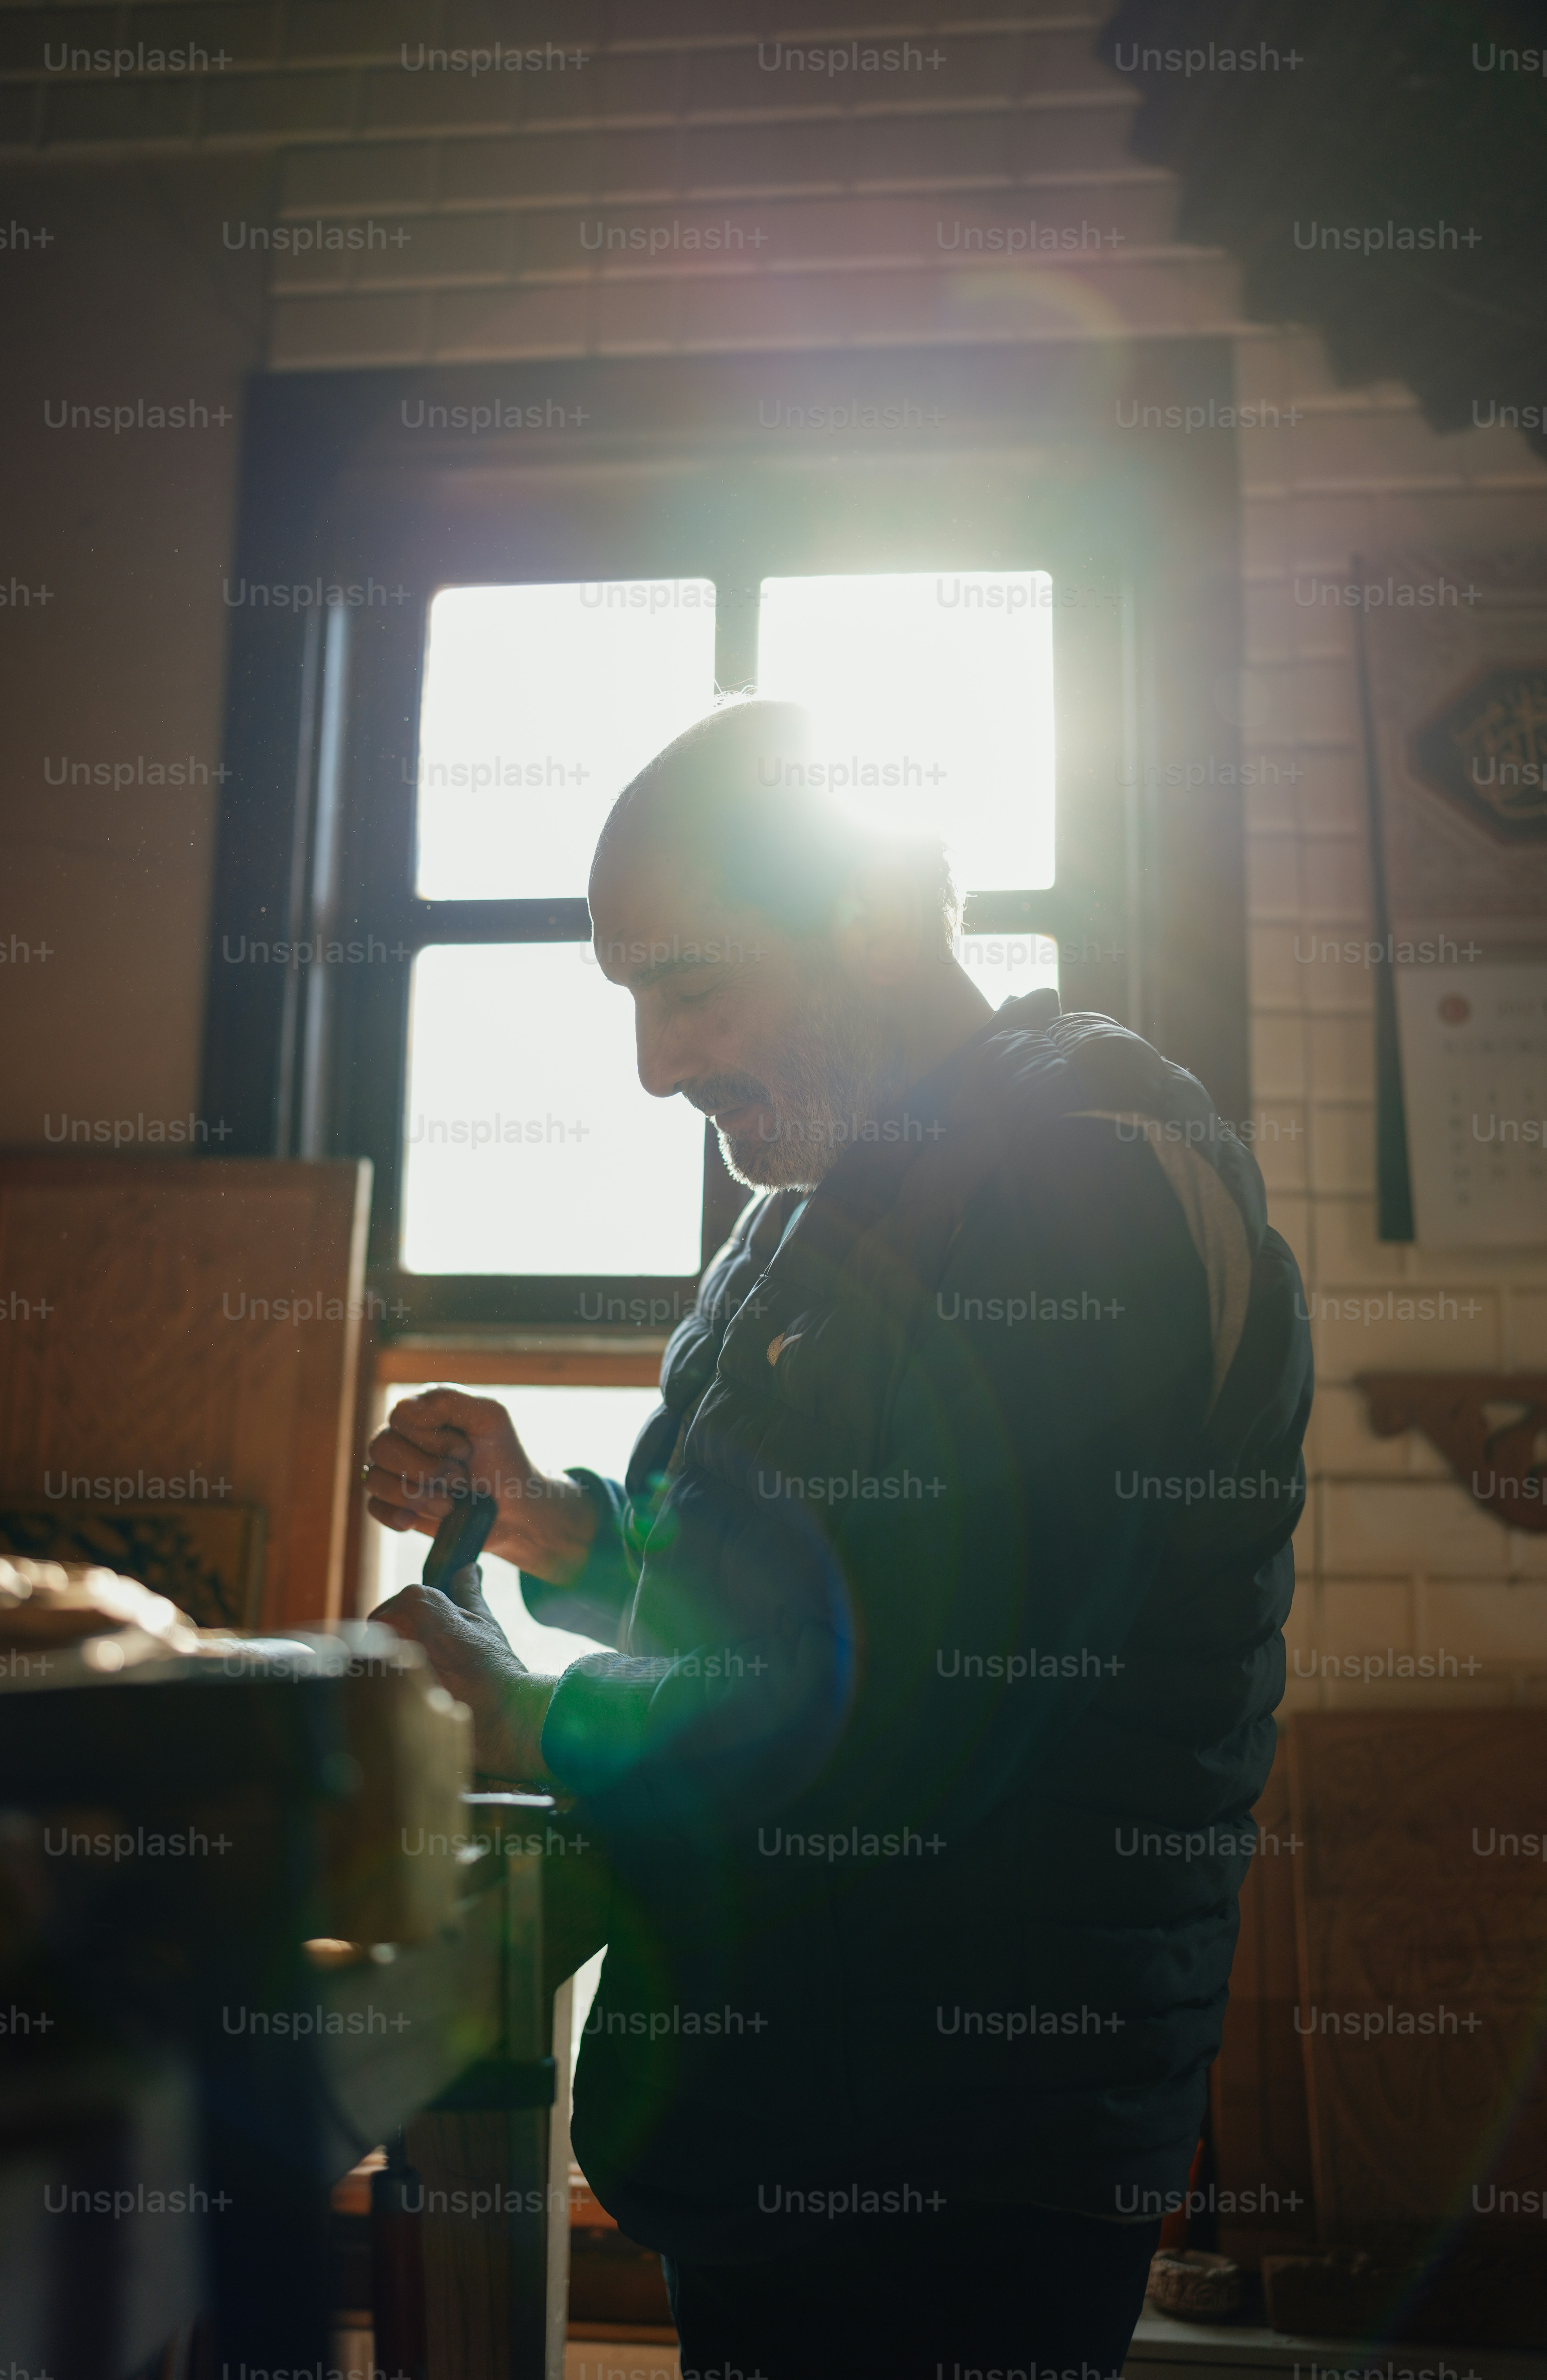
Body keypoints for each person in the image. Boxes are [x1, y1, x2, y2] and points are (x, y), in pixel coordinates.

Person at [366, 699, 1313, 2379]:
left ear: (867, 917)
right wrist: (541, 1521)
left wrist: (524, 1719)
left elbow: (910, 1704)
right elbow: (750, 1603)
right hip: (783, 2108)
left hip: (966, 2148)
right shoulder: (814, 1208)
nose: (654, 1062)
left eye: (688, 985)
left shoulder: (1082, 1177)